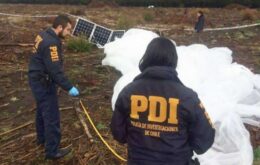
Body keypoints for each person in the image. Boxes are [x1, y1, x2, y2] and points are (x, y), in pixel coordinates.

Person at [111, 37, 215, 165]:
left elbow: (118, 133)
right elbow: (204, 141)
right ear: (173, 61)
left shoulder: (128, 93)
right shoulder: (188, 97)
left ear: (146, 58)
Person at [28, 15, 79, 160]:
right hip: (43, 83)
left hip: (36, 78)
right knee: (51, 116)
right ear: (60, 27)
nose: (69, 33)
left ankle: (42, 139)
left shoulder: (43, 34)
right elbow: (55, 70)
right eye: (68, 30)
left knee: (41, 110)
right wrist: (69, 87)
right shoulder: (51, 43)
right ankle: (52, 151)